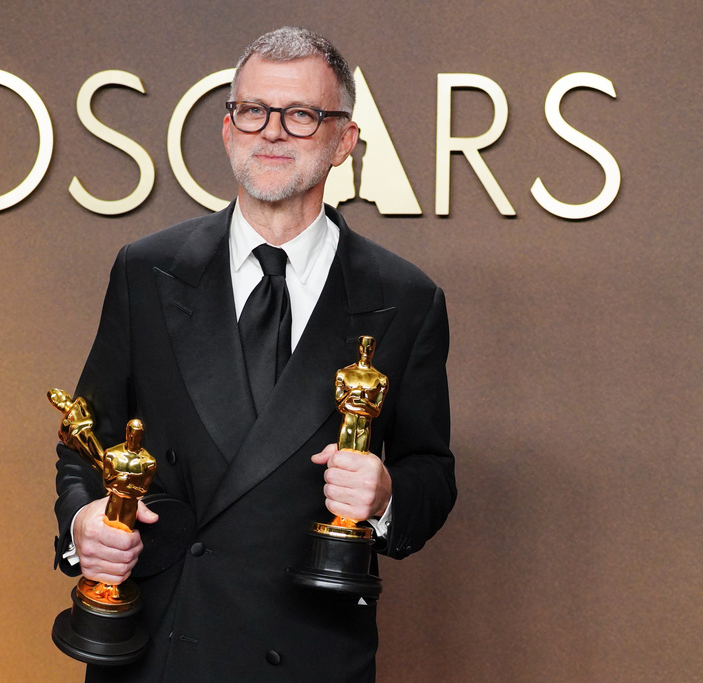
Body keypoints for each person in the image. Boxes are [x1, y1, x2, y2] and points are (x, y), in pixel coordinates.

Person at [53, 26, 456, 682]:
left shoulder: (404, 298)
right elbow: (84, 440)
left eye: (301, 115)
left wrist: (385, 495)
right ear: (227, 129)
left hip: (311, 652)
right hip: (159, 645)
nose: (272, 131)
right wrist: (82, 522)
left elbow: (432, 472)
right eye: (253, 111)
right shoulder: (147, 270)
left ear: (344, 140)